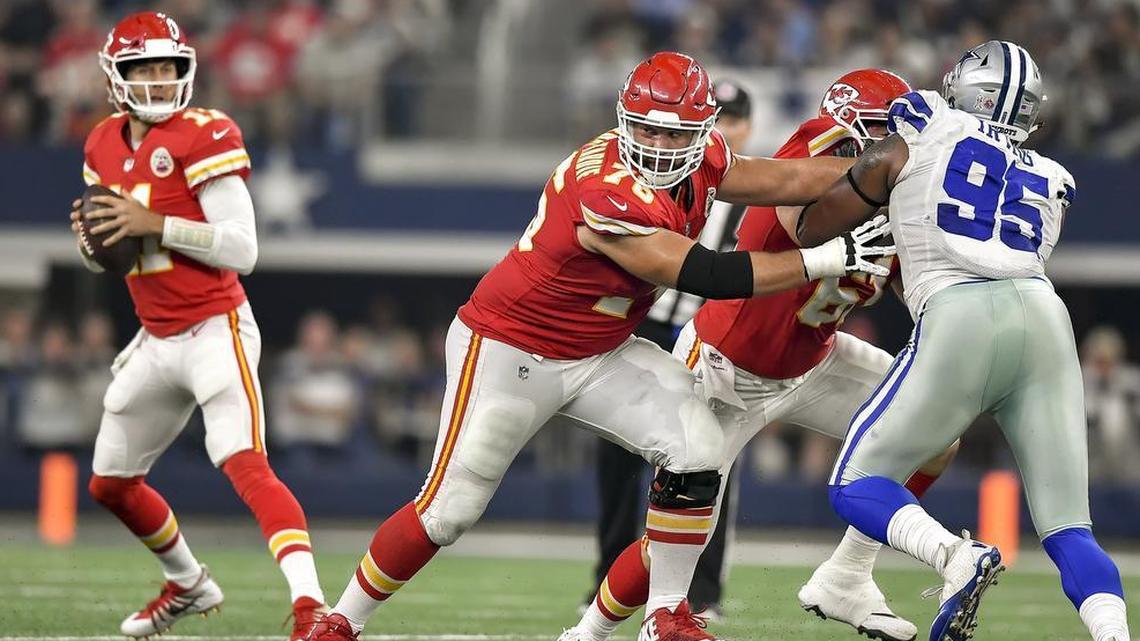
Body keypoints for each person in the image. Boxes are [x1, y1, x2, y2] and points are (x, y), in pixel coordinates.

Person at [303, 51, 893, 641]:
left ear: (702, 131)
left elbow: (785, 178)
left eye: (674, 131)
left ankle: (665, 615)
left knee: (700, 450)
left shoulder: (707, 157)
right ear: (623, 120)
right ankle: (338, 621)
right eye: (646, 128)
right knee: (447, 511)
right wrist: (825, 257)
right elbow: (706, 275)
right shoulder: (605, 188)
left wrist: (882, 173)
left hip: (604, 349)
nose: (659, 144)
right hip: (514, 351)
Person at [562, 69, 959, 641]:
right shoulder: (818, 143)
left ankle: (849, 574)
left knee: (937, 425)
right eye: (878, 133)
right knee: (677, 527)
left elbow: (914, 289)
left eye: (897, 136)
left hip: (814, 359)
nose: (890, 147)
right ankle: (591, 632)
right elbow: (801, 224)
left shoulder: (907, 188)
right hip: (729, 362)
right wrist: (872, 200)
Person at [799, 41, 1132, 641]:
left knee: (854, 481)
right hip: (1044, 318)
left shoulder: (923, 120)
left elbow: (836, 205)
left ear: (966, 88)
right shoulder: (1053, 176)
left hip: (959, 314)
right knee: (1069, 528)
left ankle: (956, 555)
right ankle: (1113, 633)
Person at [69, 12, 327, 640]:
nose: (157, 81)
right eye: (143, 69)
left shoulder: (207, 133)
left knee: (245, 464)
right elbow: (111, 242)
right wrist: (94, 243)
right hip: (155, 336)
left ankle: (313, 608)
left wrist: (151, 223)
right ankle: (188, 582)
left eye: (166, 67)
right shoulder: (102, 141)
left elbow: (243, 249)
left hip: (216, 327)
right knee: (111, 483)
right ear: (116, 76)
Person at [588, 78, 753, 621]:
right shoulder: (654, 176)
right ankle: (607, 578)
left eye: (733, 120)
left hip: (705, 333)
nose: (724, 130)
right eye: (719, 119)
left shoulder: (747, 193)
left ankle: (701, 591)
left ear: (744, 129)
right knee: (616, 458)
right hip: (647, 326)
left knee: (708, 457)